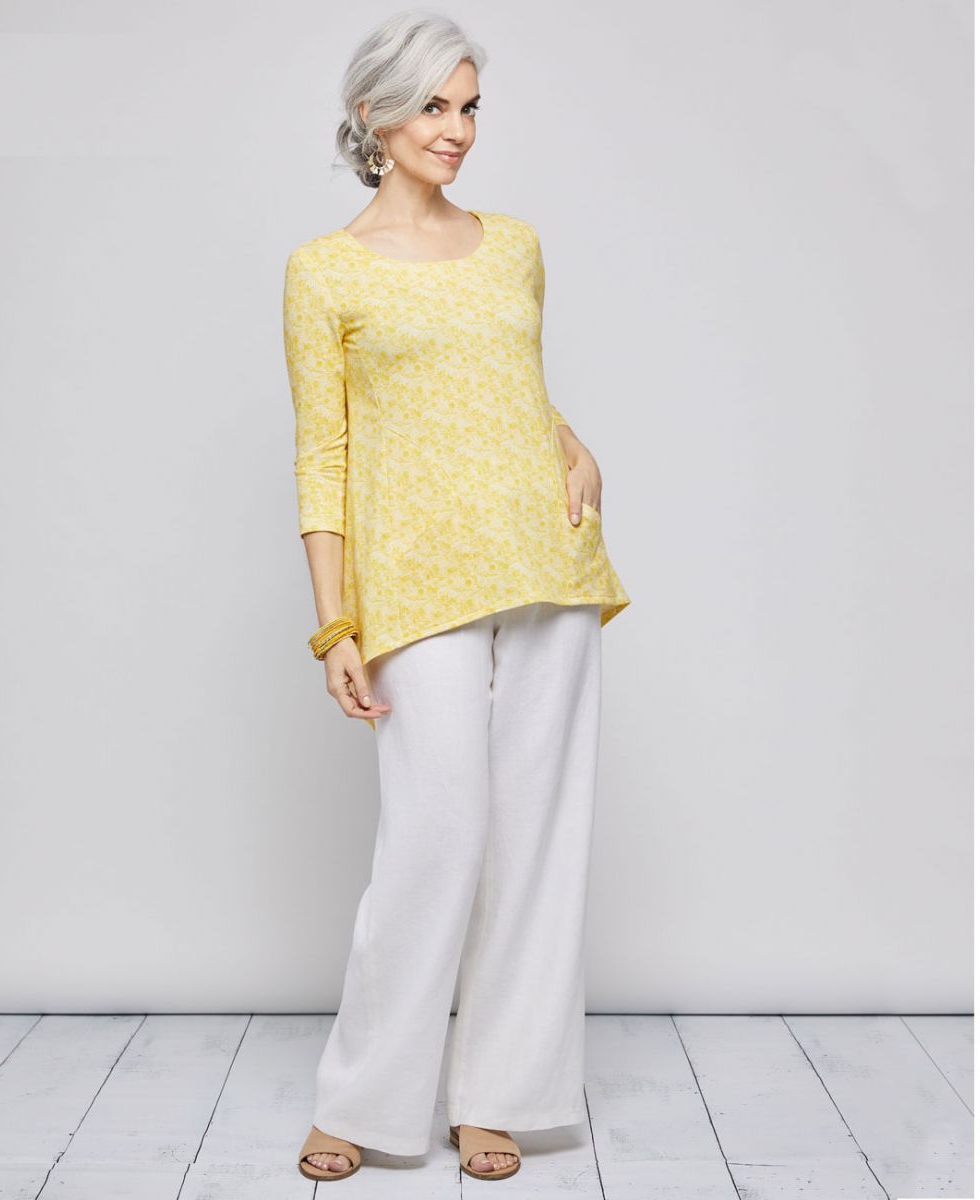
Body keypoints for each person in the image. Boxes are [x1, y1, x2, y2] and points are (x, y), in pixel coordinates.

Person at [284, 11, 630, 1183]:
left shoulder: (515, 244)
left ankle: (502, 1095)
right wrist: (336, 623)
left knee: (538, 835)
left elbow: (505, 381)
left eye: (471, 107)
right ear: (374, 114)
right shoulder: (323, 270)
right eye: (434, 106)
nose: (458, 130)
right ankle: (364, 1099)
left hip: (546, 557)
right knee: (437, 835)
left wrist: (574, 443)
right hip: (414, 581)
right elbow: (325, 453)